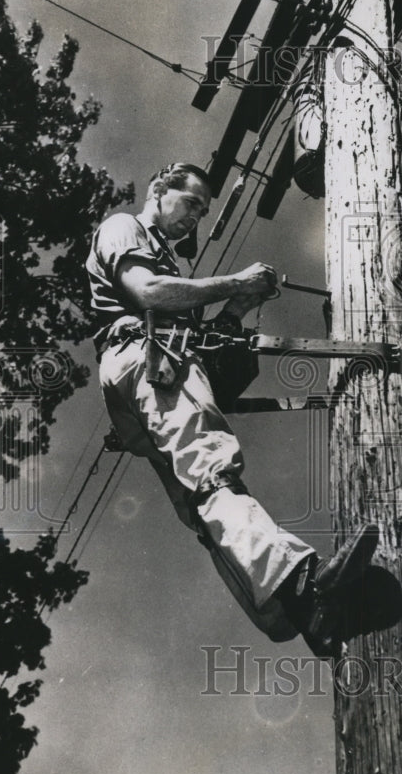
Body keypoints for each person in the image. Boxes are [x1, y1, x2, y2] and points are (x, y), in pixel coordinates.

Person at [85, 161, 377, 656]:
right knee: (214, 474)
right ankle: (304, 578)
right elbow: (147, 293)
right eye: (191, 204)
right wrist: (233, 280)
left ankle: (295, 616)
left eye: (202, 212)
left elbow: (208, 347)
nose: (194, 219)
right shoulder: (124, 227)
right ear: (158, 188)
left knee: (203, 506)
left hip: (154, 370)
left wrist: (240, 305)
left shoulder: (169, 265)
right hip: (145, 359)